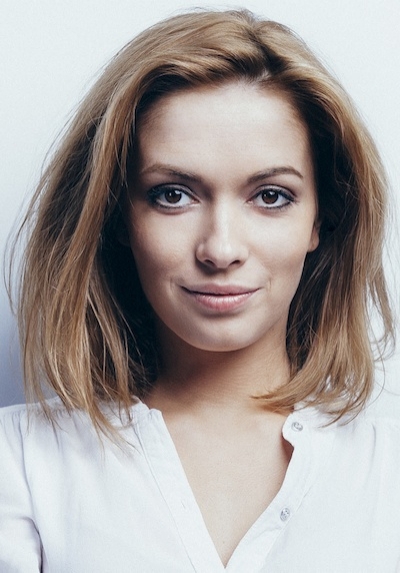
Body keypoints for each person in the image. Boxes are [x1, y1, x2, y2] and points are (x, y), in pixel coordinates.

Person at [0, 8, 399, 572]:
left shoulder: (388, 469)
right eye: (173, 195)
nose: (220, 248)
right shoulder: (21, 465)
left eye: (270, 196)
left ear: (321, 219)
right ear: (118, 217)